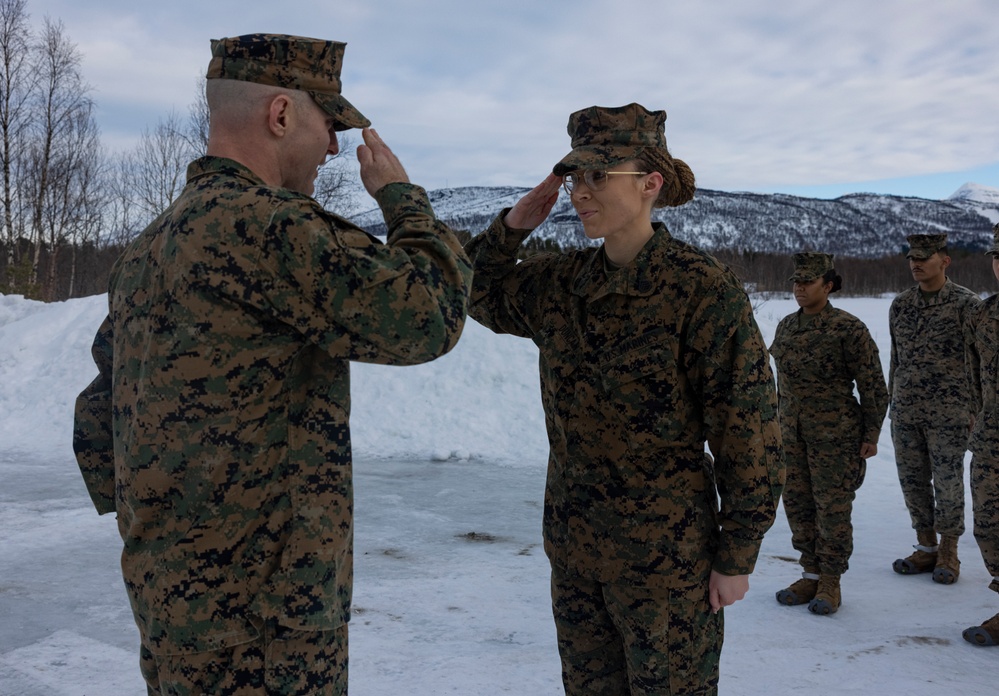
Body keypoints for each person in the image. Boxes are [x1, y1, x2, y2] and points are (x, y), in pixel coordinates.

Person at [72, 34, 471, 694]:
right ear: (281, 115)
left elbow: (98, 420)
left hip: (172, 610)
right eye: (328, 124)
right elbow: (427, 316)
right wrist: (402, 198)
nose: (335, 148)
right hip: (268, 626)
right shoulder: (274, 229)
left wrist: (170, 531)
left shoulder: (149, 248)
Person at [464, 103, 784, 695]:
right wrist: (511, 229)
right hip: (576, 551)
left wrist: (738, 550)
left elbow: (749, 428)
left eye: (598, 177)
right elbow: (476, 292)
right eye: (574, 178)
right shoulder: (562, 284)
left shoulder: (700, 289)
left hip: (665, 564)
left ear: (649, 183)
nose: (580, 193)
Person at [770, 253, 888, 615]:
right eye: (796, 282)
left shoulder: (848, 328)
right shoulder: (787, 327)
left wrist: (871, 433)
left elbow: (873, 386)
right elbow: (779, 386)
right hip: (792, 435)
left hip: (835, 438)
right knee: (798, 506)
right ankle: (810, 572)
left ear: (829, 285)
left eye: (808, 282)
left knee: (832, 511)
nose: (799, 288)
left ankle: (831, 581)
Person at [889, 233, 980, 585]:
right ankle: (925, 546)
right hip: (907, 410)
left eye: (924, 258)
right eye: (912, 258)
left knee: (947, 482)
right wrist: (892, 403)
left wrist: (976, 408)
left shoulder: (966, 305)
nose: (915, 264)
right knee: (912, 481)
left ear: (944, 261)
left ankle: (949, 550)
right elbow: (896, 359)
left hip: (951, 413)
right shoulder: (900, 305)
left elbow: (978, 363)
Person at [963, 222, 999, 646]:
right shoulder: (984, 314)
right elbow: (975, 376)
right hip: (990, 438)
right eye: (997, 256)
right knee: (989, 525)